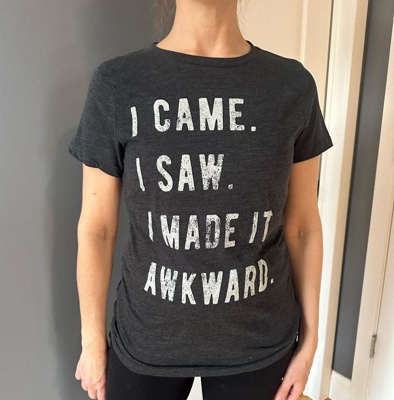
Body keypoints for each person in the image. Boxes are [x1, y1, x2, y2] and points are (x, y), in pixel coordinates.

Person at [69, 0, 334, 399]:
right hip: (146, 340)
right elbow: (97, 228)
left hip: (260, 344)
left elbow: (302, 226)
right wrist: (91, 342)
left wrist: (311, 340)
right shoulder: (118, 83)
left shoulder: (291, 86)